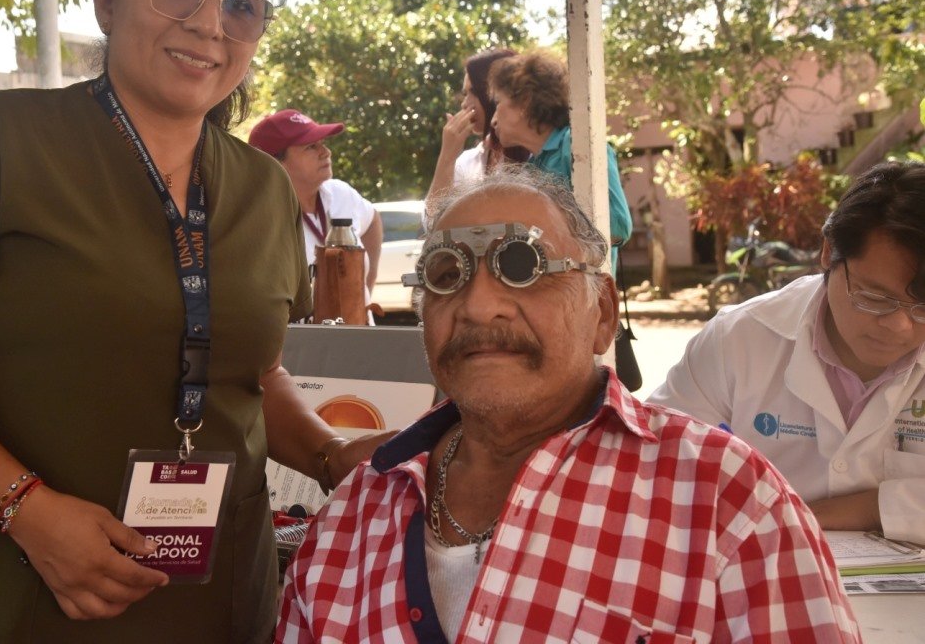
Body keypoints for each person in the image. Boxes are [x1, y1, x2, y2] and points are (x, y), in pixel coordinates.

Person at [0, 0, 382, 643]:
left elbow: (250, 375)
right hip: (23, 594)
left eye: (242, 4)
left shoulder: (265, 189)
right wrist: (28, 511)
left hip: (220, 598)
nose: (209, 22)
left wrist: (333, 455)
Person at [278, 166, 859, 642]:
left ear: (603, 312)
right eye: (446, 273)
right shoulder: (355, 512)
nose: (480, 307)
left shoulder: (727, 503)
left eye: (523, 268)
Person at [650, 160, 925, 546]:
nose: (900, 326)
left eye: (921, 309)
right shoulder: (740, 340)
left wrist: (833, 511)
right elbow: (654, 463)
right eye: (874, 297)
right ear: (828, 253)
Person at [485, 49, 632, 273]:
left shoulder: (576, 143)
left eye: (498, 103)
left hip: (586, 298)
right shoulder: (532, 167)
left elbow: (618, 226)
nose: (493, 120)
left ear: (524, 101)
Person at [248, 109, 382, 295]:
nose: (326, 152)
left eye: (323, 144)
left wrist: (368, 283)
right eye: (311, 147)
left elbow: (373, 219)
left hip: (358, 323)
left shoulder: (340, 194)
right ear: (275, 164)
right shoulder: (259, 221)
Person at [423, 48, 522, 218]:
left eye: (473, 93)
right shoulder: (468, 161)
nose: (464, 104)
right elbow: (432, 222)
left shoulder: (537, 153)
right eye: (464, 94)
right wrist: (447, 156)